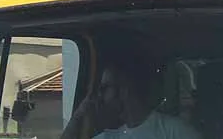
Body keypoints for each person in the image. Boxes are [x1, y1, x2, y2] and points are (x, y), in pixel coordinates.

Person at [61, 55, 201, 139]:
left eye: (104, 88)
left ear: (124, 90)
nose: (100, 95)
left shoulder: (173, 131)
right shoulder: (111, 136)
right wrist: (78, 116)